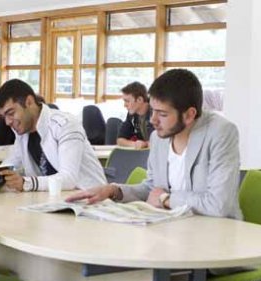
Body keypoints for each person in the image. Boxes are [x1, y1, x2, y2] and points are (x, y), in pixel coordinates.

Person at [66, 69, 241, 219]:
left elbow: (219, 205)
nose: (153, 120)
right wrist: (113, 190)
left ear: (189, 115)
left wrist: (166, 199)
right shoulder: (159, 138)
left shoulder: (221, 133)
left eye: (162, 114)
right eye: (153, 111)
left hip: (215, 236)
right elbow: (152, 188)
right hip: (173, 229)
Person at [0, 79, 106, 192]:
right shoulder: (23, 132)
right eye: (4, 117)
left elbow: (69, 178)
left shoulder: (65, 124)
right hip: (53, 201)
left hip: (91, 200)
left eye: (11, 113)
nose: (8, 122)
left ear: (29, 102)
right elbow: (9, 165)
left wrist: (26, 183)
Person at [117, 82, 154, 149]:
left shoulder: (156, 112)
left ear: (139, 100)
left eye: (127, 101)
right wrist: (135, 144)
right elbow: (120, 140)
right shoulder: (132, 114)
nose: (125, 105)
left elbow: (158, 141)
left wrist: (145, 144)